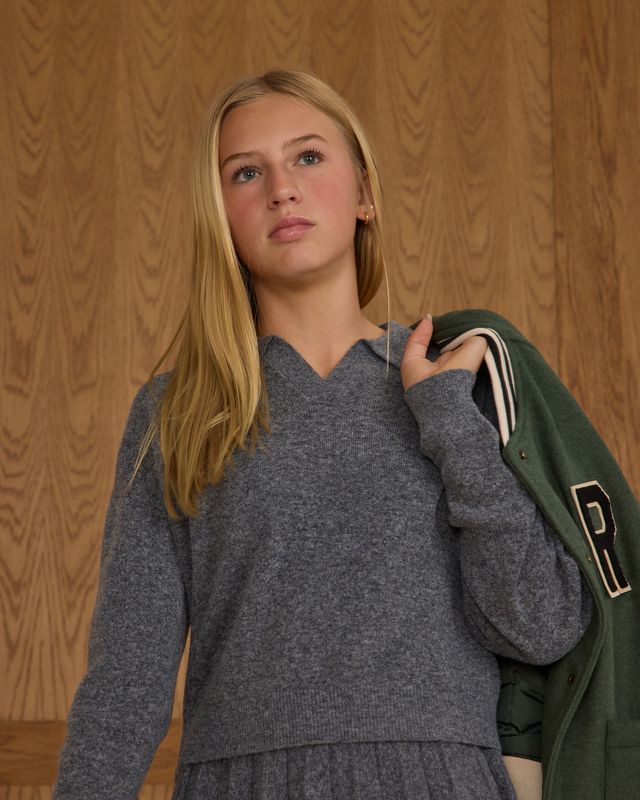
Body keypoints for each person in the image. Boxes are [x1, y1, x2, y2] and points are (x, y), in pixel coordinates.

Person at [53, 68, 594, 800]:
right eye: (247, 172)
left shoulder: (460, 383)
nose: (282, 188)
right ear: (221, 216)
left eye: (307, 157)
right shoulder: (176, 413)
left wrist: (449, 424)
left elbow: (541, 626)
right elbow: (126, 681)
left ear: (365, 193)